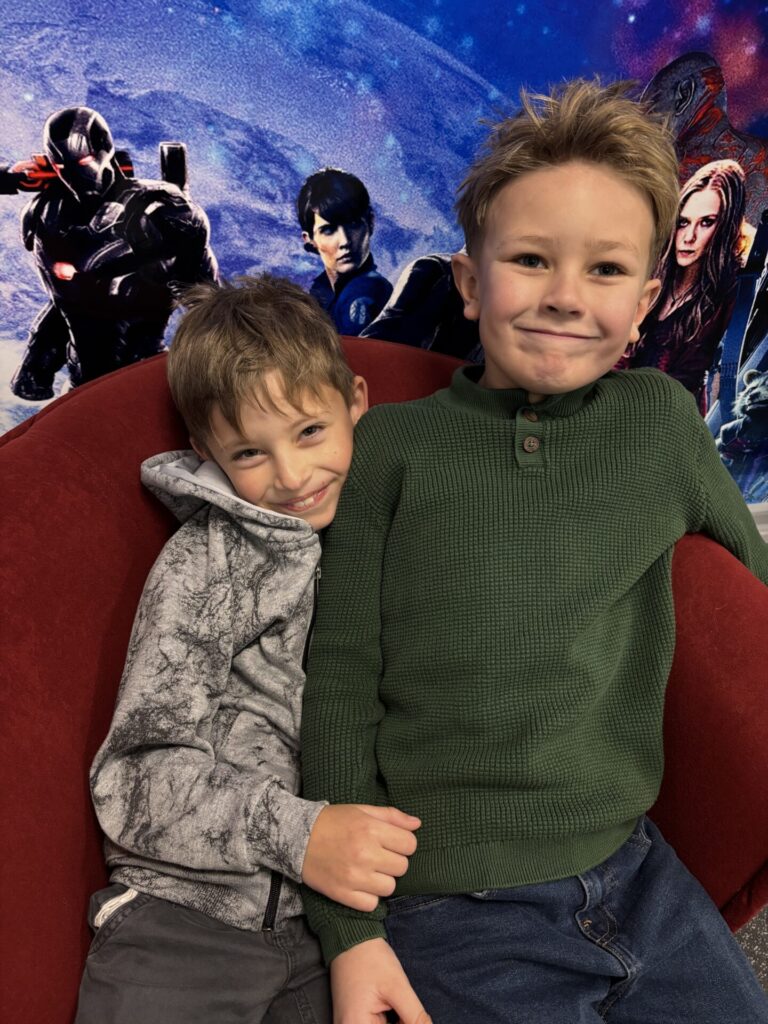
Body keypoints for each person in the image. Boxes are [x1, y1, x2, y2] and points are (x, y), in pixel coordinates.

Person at [299, 81, 768, 1023]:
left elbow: (751, 604)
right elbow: (340, 679)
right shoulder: (391, 448)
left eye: (605, 270)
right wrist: (350, 933)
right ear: (471, 281)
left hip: (639, 872)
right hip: (452, 903)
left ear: (644, 302)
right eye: (529, 259)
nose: (564, 296)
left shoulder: (661, 425)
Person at [75, 275, 421, 1024]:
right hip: (184, 917)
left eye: (310, 431)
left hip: (330, 929)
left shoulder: (396, 534)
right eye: (251, 452)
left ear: (356, 402)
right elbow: (133, 777)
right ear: (207, 451)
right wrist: (297, 835)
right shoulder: (205, 562)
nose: (293, 477)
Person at [6, 106, 218, 400]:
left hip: (141, 371)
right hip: (86, 379)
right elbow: (69, 304)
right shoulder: (46, 213)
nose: (78, 174)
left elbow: (204, 297)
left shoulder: (160, 211)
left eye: (83, 161)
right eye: (63, 166)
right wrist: (35, 369)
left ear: (102, 150)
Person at [626, 159, 747, 411]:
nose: (689, 237)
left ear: (725, 226)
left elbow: (720, 383)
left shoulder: (734, 293)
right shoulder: (654, 269)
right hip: (605, 405)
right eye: (683, 222)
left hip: (667, 420)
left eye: (706, 222)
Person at [298, 167, 392, 335]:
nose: (345, 241)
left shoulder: (368, 291)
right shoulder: (320, 293)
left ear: (370, 222)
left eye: (353, 224)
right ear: (310, 239)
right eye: (329, 230)